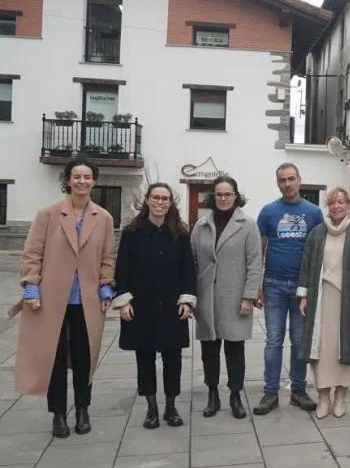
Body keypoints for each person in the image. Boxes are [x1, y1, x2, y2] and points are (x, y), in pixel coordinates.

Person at [13, 158, 115, 438]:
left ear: (94, 181)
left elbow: (107, 256)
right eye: (76, 177)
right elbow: (33, 251)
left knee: (85, 357)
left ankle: (82, 408)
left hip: (87, 301)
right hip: (52, 299)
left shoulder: (103, 217)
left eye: (87, 177)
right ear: (68, 181)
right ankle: (58, 413)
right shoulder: (48, 214)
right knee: (54, 359)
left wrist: (107, 286)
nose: (82, 182)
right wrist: (31, 285)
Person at [112, 183, 197, 429]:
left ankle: (171, 407)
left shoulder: (180, 233)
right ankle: (152, 409)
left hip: (172, 306)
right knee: (145, 358)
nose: (160, 202)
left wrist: (187, 299)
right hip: (142, 307)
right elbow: (122, 268)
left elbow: (187, 270)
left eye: (165, 199)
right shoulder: (132, 231)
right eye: (156, 198)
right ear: (147, 200)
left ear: (171, 203)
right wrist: (124, 301)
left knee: (173, 359)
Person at [296, 188, 350, 419]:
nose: (337, 206)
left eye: (341, 202)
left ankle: (340, 397)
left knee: (346, 348)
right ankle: (322, 397)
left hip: (349, 300)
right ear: (328, 206)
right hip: (322, 300)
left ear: (348, 206)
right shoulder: (317, 234)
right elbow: (307, 264)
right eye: (332, 203)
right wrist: (304, 295)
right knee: (322, 350)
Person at [254, 163, 324, 414]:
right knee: (273, 340)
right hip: (273, 285)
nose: (287, 184)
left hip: (302, 288)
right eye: (282, 180)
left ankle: (298, 390)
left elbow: (319, 252)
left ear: (299, 180)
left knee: (298, 340)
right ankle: (270, 392)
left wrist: (314, 287)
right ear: (277, 183)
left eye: (291, 179)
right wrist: (256, 287)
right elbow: (258, 251)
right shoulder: (268, 212)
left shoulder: (314, 213)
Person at [192, 175, 262, 419]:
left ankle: (235, 394)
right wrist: (192, 298)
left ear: (235, 195)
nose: (223, 198)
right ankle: (212, 394)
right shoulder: (201, 225)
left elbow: (255, 263)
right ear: (213, 196)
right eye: (219, 194)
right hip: (207, 298)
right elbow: (192, 262)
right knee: (209, 350)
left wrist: (249, 297)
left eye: (228, 194)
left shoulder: (248, 225)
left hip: (235, 298)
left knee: (235, 350)